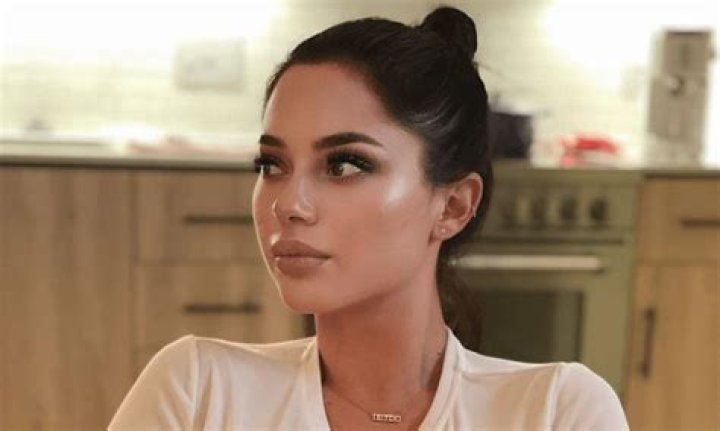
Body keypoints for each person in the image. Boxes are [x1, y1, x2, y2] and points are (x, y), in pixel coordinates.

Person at [109, 6, 628, 430]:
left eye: (345, 165)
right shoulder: (197, 389)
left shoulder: (557, 410)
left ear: (453, 206)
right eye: (272, 165)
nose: (288, 203)